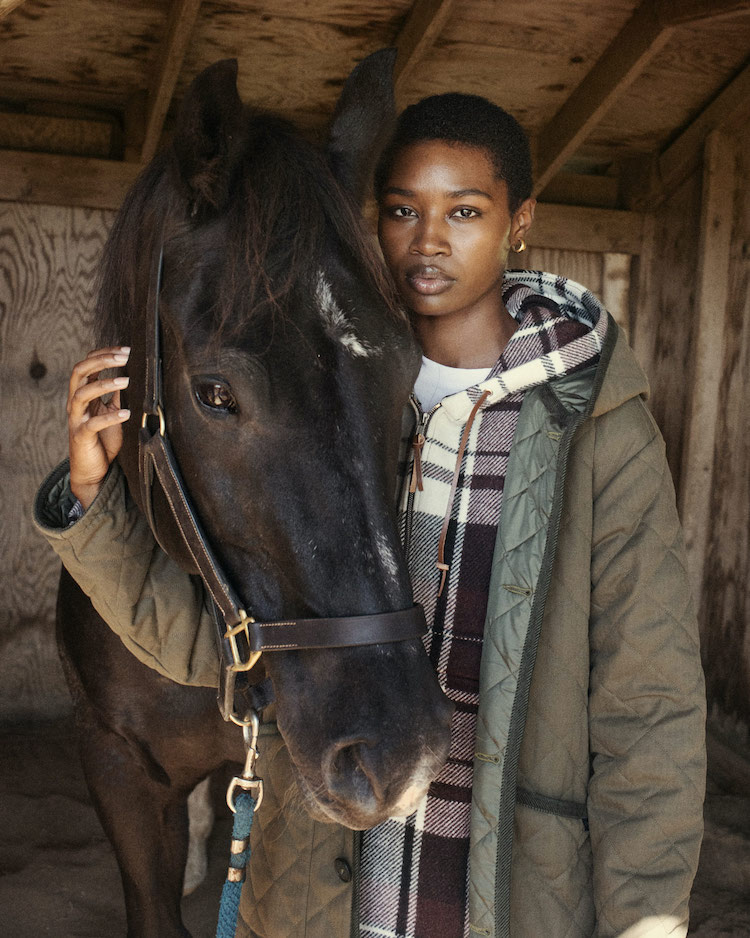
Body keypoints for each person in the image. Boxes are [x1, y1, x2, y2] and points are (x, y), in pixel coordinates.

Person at [34, 92, 706, 938]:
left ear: (518, 221)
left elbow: (649, 701)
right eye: (401, 210)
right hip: (327, 897)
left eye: (464, 211)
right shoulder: (341, 413)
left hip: (502, 896)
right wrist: (94, 503)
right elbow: (236, 653)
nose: (428, 240)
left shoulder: (600, 430)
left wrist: (649, 917)